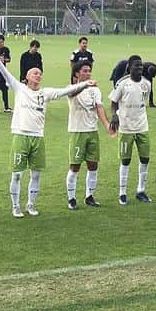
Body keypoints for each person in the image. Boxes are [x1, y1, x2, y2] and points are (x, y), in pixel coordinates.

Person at [0, 45, 94, 217]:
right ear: (27, 77)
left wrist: (84, 84)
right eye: (34, 73)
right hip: (21, 136)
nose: (38, 75)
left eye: (40, 73)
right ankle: (16, 207)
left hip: (38, 138)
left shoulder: (45, 93)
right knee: (17, 175)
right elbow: (3, 71)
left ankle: (31, 205)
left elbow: (66, 91)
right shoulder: (20, 89)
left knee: (36, 175)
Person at [66, 61, 113, 209]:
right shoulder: (71, 88)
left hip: (92, 132)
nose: (88, 73)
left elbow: (99, 108)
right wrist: (85, 85)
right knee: (75, 166)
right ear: (76, 73)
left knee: (93, 165)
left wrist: (107, 126)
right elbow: (73, 93)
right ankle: (71, 198)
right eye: (84, 71)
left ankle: (89, 196)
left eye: (89, 71)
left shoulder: (95, 90)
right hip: (77, 132)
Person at [109, 57, 154, 204]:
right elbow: (114, 102)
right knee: (126, 160)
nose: (140, 68)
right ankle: (122, 193)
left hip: (142, 127)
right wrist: (115, 116)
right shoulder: (122, 84)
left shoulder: (146, 84)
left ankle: (141, 190)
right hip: (126, 128)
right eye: (136, 66)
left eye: (141, 66)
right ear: (129, 67)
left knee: (145, 159)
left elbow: (143, 102)